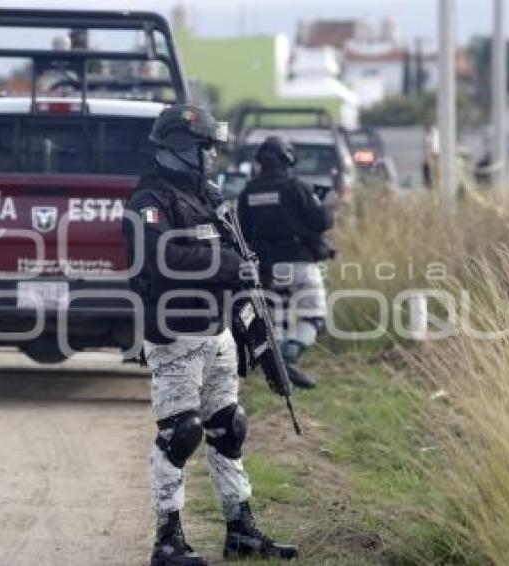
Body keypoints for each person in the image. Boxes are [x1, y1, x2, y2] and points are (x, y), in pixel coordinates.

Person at [124, 106, 298, 566]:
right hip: (174, 332)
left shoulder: (211, 198)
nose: (212, 158)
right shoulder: (148, 202)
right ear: (182, 149)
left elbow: (240, 263)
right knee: (181, 434)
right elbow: (158, 257)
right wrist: (227, 265)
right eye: (206, 149)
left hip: (218, 329)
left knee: (229, 426)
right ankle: (167, 541)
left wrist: (256, 323)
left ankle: (241, 530)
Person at [237, 136, 334, 390]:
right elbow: (321, 222)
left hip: (265, 270)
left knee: (275, 324)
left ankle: (280, 366)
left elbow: (243, 233)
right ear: (288, 159)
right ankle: (291, 354)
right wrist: (319, 202)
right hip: (300, 264)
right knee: (314, 317)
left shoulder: (248, 193)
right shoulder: (298, 187)